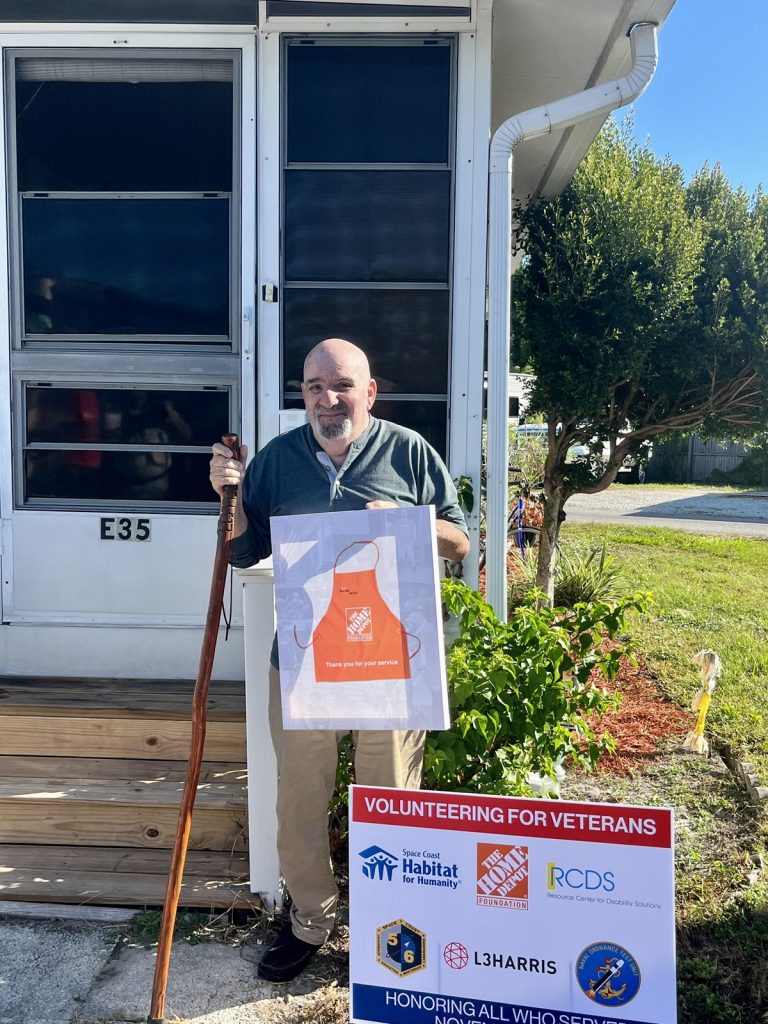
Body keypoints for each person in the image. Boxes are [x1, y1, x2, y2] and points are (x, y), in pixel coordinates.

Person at [209, 337, 469, 982]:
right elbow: (244, 553)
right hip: (304, 664)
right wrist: (230, 496)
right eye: (314, 387)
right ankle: (309, 923)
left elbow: (462, 542)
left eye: (342, 385)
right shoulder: (276, 461)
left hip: (391, 661)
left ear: (370, 391)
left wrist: (412, 520)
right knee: (299, 798)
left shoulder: (409, 452)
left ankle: (390, 927)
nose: (328, 399)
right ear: (304, 395)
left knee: (389, 796)